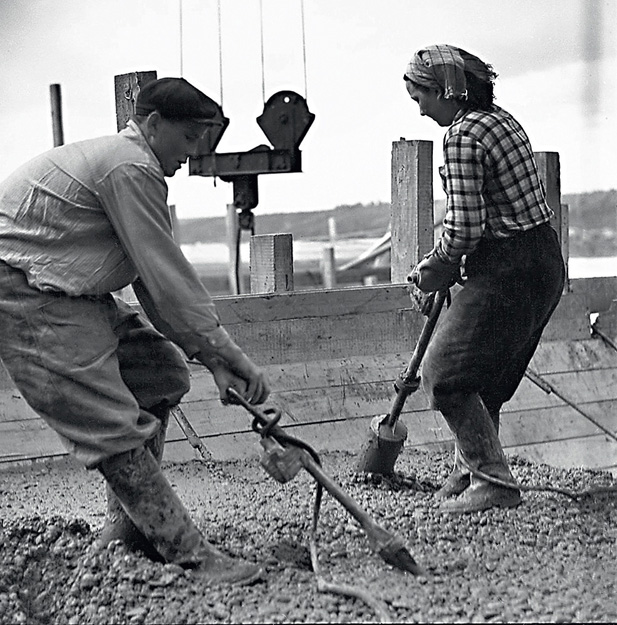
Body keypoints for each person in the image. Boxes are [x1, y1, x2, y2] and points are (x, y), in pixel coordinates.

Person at [0, 77, 270, 583]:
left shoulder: (131, 166)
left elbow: (153, 285)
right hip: (23, 289)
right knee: (111, 422)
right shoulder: (130, 167)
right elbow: (170, 283)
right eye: (189, 138)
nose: (192, 155)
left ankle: (125, 531)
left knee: (158, 372)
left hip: (64, 289)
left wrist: (214, 361)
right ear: (152, 124)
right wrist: (231, 355)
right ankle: (189, 553)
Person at [405, 45, 565, 513]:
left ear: (446, 90)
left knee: (446, 375)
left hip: (507, 271)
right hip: (543, 262)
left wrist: (432, 269)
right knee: (488, 378)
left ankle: (493, 481)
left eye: (422, 96)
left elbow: (463, 230)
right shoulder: (501, 120)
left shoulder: (461, 137)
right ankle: (469, 469)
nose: (419, 108)